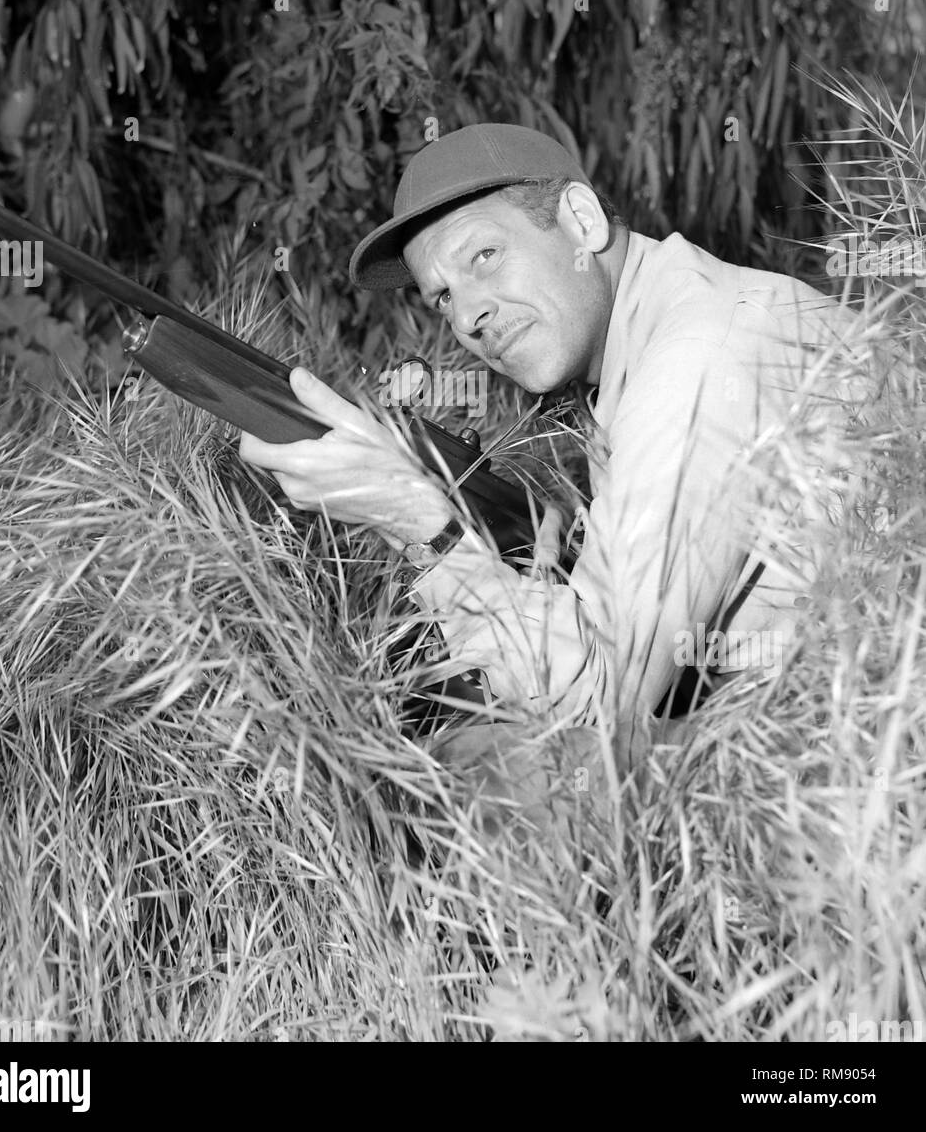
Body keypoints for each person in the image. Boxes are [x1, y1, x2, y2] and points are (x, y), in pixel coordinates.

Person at [238, 124, 867, 783]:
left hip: (858, 770)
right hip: (828, 719)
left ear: (580, 220)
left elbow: (600, 702)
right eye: (443, 297)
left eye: (483, 256)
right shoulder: (676, 315)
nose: (467, 319)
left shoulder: (691, 368)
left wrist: (417, 521)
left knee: (469, 778)